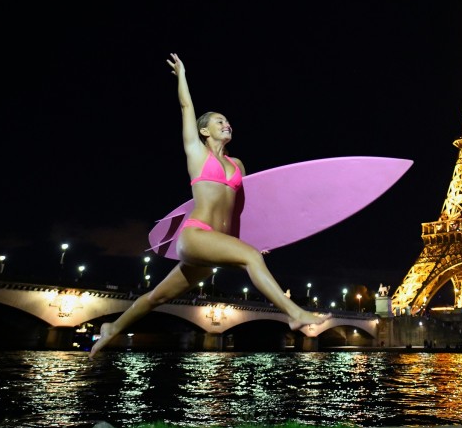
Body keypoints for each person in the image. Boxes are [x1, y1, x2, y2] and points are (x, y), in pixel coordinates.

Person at [90, 53, 330, 358]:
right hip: (196, 235)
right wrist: (182, 76)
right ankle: (294, 313)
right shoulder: (196, 154)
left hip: (215, 245)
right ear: (204, 131)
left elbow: (239, 211)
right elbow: (186, 106)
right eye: (219, 121)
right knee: (250, 258)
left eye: (228, 121)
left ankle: (113, 327)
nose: (226, 124)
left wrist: (248, 242)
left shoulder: (238, 164)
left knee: (156, 298)